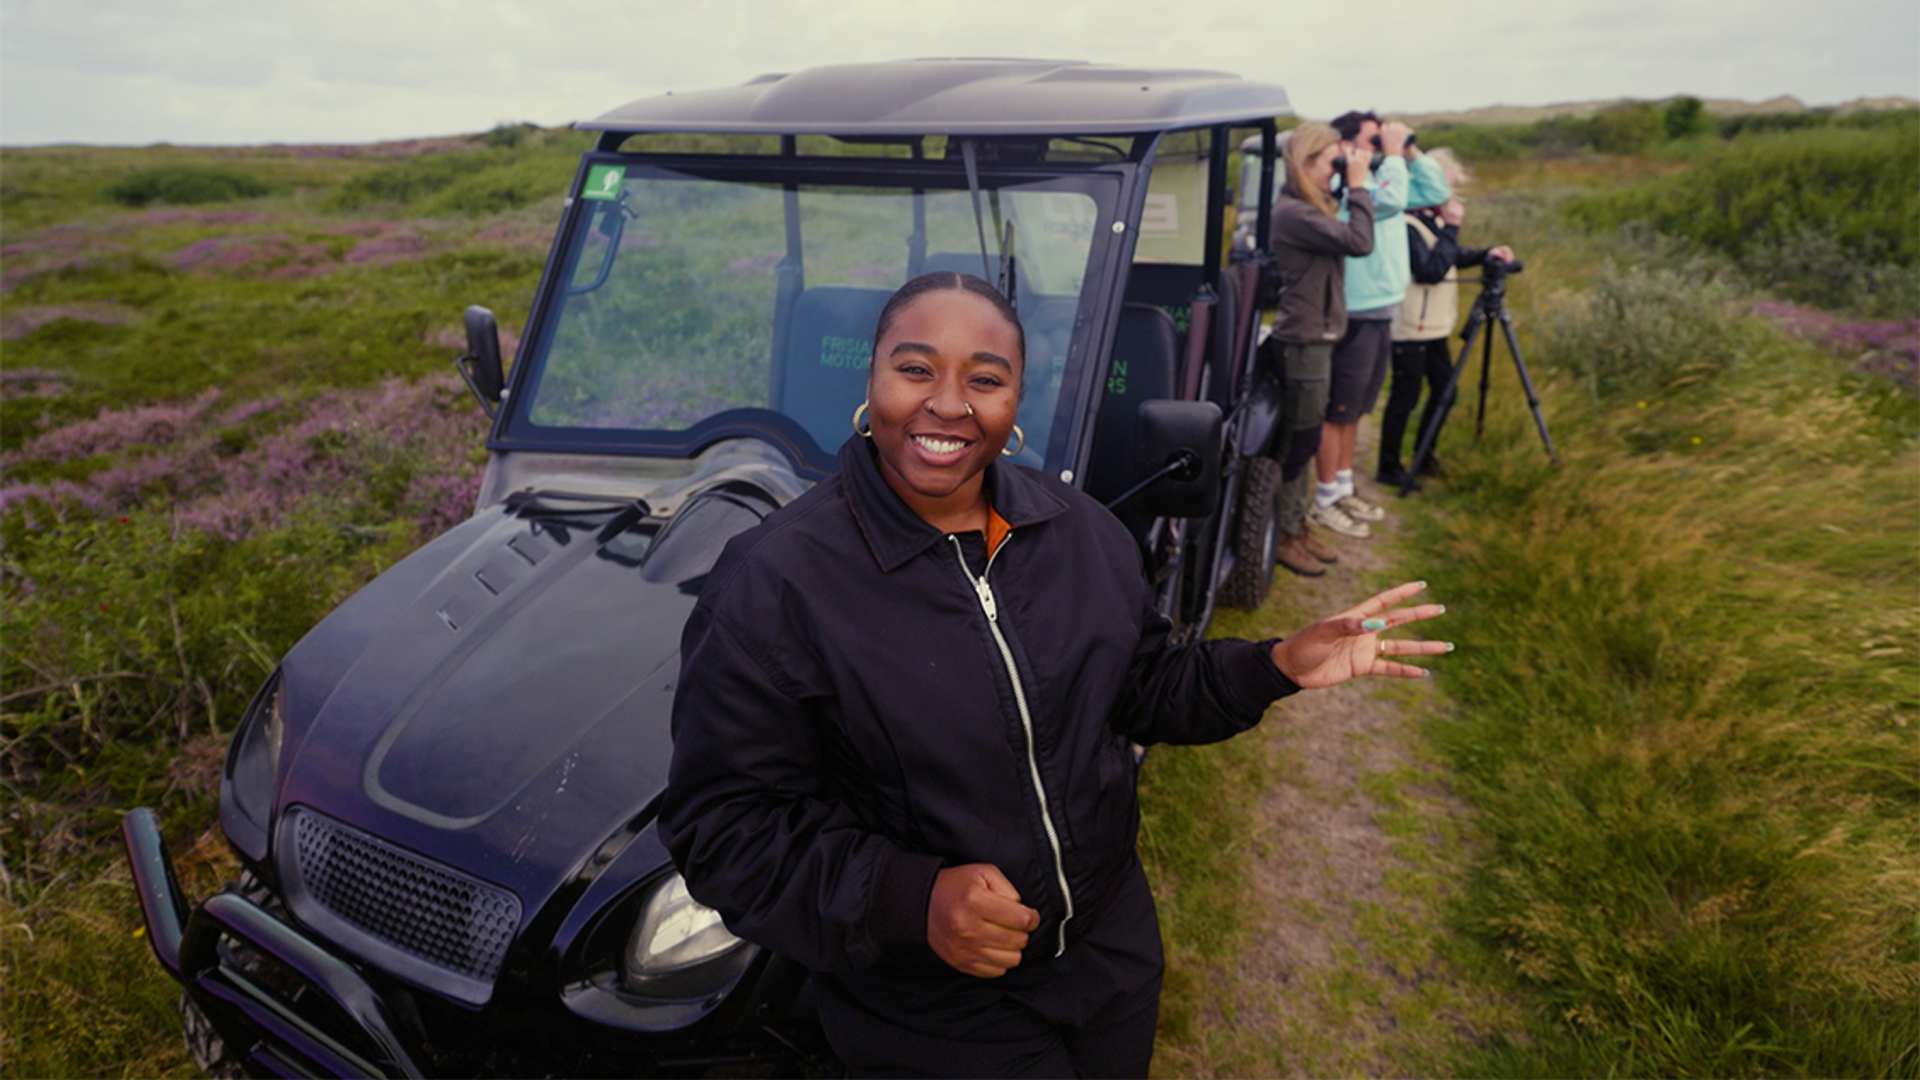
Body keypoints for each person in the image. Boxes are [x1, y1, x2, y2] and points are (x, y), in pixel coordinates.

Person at [659, 271, 1450, 1079]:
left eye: (986, 379)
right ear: (871, 382)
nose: (949, 404)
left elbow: (1140, 686)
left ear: (1017, 405)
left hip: (1109, 955)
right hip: (931, 1012)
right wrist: (910, 900)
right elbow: (724, 830)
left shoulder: (1081, 533)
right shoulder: (774, 584)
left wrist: (1274, 666)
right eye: (917, 368)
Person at [1311, 111, 1450, 539]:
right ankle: (1324, 496)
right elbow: (1388, 200)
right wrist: (1391, 157)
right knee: (1337, 408)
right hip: (1355, 307)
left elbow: (1436, 190)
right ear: (1346, 146)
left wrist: (1410, 151)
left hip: (1382, 305)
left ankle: (1344, 485)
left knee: (1355, 408)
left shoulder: (1381, 177)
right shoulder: (1343, 184)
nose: (1381, 149)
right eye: (1373, 141)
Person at [1266, 122, 1375, 577]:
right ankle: (1283, 534)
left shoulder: (1311, 208)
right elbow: (1360, 241)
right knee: (1299, 443)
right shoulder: (1293, 213)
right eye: (1330, 161)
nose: (1336, 170)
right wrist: (1358, 186)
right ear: (1304, 162)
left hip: (1318, 340)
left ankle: (1295, 524)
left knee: (1305, 441)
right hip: (1304, 344)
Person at [1379, 148, 1516, 489]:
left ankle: (1424, 455)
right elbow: (1430, 270)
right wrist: (1452, 228)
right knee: (1405, 397)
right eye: (1445, 188)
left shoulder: (1432, 222)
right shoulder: (1405, 224)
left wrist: (1486, 253)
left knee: (1445, 391)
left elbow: (1450, 255)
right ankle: (1389, 466)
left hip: (1435, 326)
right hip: (1411, 327)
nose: (1450, 196)